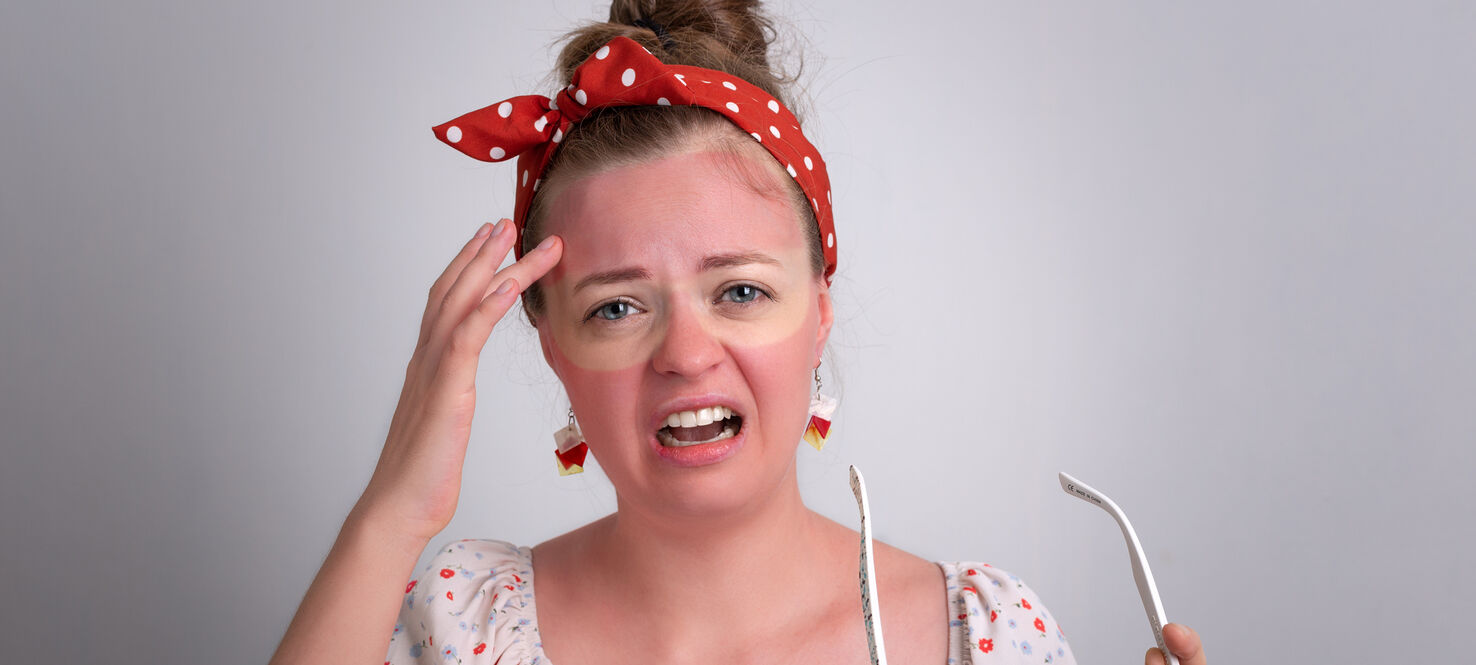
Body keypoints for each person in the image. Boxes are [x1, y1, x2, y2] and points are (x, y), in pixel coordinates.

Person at [269, 1, 1209, 663]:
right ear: (551, 349)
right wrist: (395, 509)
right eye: (616, 306)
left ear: (820, 313)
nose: (684, 352)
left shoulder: (985, 634)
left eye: (742, 292)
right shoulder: (455, 619)